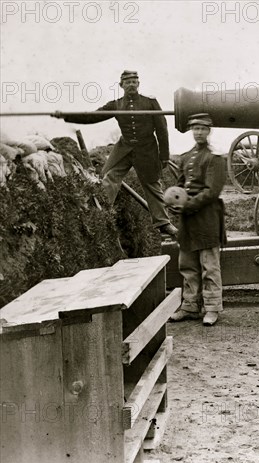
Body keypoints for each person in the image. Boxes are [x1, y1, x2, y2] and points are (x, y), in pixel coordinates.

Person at [53, 70, 177, 236]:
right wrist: (66, 116)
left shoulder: (150, 102)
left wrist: (164, 156)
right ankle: (102, 214)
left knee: (151, 185)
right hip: (124, 149)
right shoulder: (115, 105)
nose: (131, 84)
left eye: (134, 81)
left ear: (138, 84)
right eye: (128, 82)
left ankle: (163, 223)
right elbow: (92, 117)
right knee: (110, 177)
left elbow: (162, 129)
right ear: (121, 85)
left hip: (146, 150)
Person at [169, 113, 227, 326]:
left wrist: (188, 205)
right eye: (195, 129)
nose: (199, 132)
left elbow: (212, 191)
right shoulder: (186, 157)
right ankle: (190, 306)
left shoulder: (215, 157)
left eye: (202, 129)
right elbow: (179, 186)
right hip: (188, 221)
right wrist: (175, 204)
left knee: (209, 266)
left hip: (207, 218)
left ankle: (211, 309)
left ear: (209, 131)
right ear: (191, 131)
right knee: (187, 264)